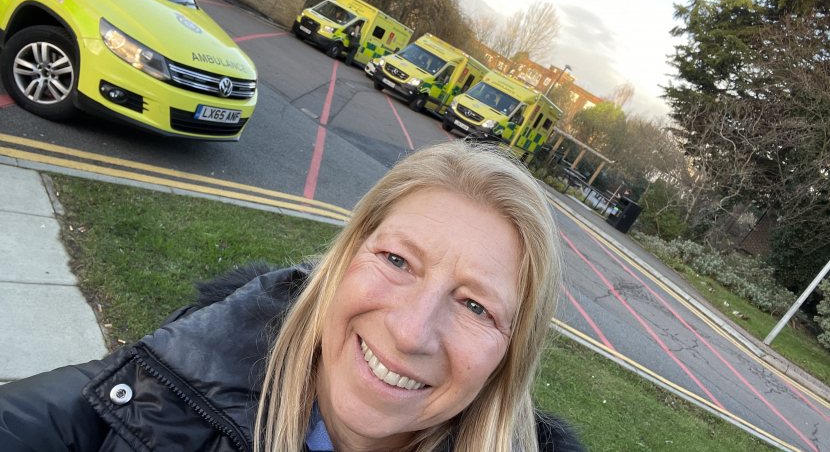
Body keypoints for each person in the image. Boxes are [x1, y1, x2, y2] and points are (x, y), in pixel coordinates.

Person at [0, 141, 584, 452]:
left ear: (511, 355)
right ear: (342, 261)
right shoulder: (169, 380)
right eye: (397, 260)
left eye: (475, 305)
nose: (410, 333)